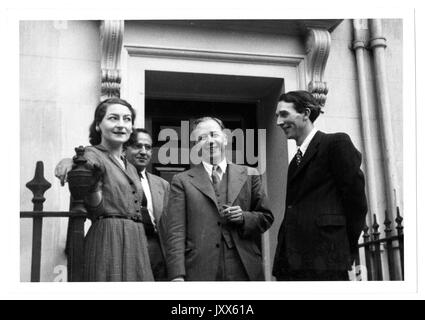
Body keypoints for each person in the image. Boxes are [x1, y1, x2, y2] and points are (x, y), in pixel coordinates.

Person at [163, 117, 274, 281]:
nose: (209, 141)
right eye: (201, 138)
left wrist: (244, 217)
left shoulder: (250, 174)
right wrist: (177, 274)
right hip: (200, 268)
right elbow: (175, 231)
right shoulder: (182, 180)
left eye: (214, 134)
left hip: (244, 265)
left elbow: (266, 217)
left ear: (225, 138)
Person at [272, 90, 368, 281]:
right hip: (291, 264)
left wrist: (341, 247)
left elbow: (356, 202)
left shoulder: (335, 143)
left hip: (326, 260)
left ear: (306, 113)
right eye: (277, 116)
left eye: (284, 114)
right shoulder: (294, 163)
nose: (278, 122)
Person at [55, 97, 153, 281]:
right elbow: (85, 163)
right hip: (109, 237)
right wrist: (69, 161)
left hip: (135, 240)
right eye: (113, 118)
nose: (121, 125)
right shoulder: (93, 153)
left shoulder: (130, 166)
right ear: (98, 125)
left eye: (127, 119)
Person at [125, 128, 170, 281]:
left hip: (156, 247)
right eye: (138, 146)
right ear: (125, 149)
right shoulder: (115, 178)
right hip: (126, 247)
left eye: (148, 147)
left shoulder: (162, 185)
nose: (143, 152)